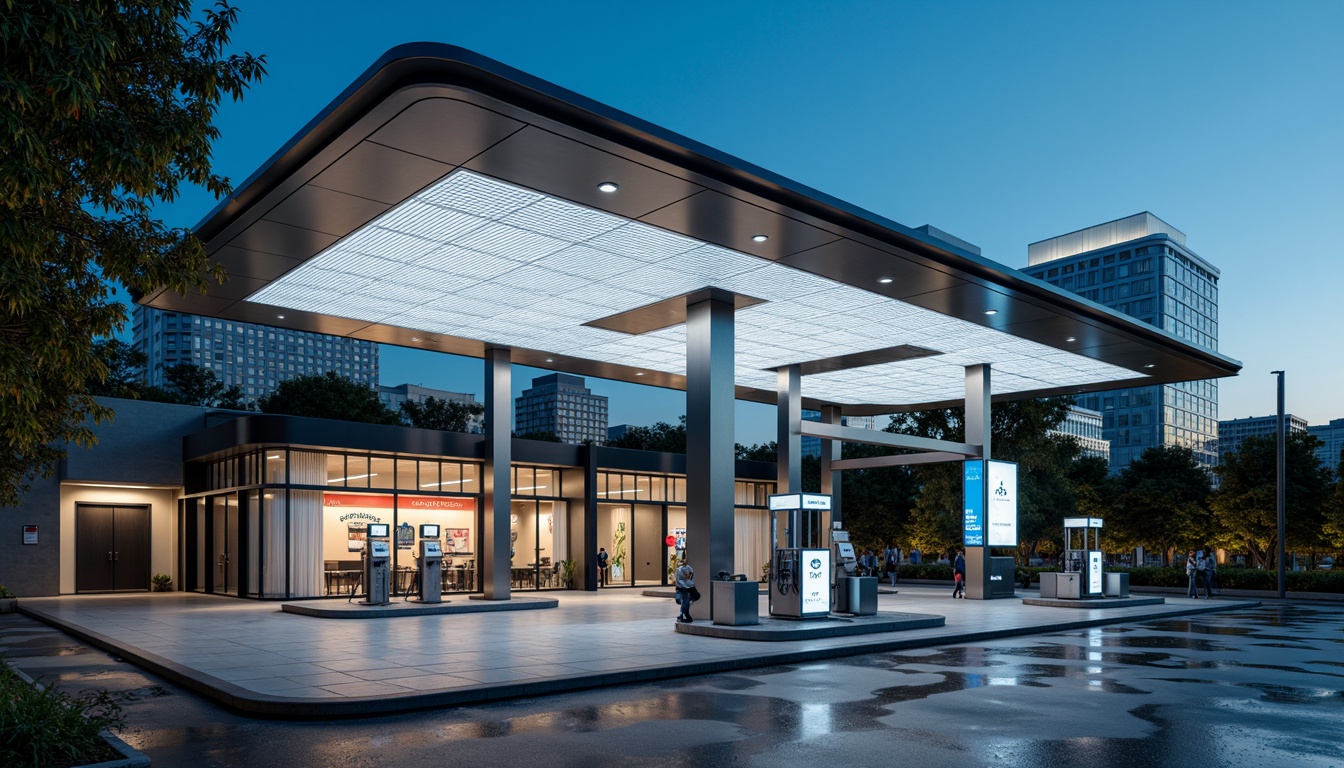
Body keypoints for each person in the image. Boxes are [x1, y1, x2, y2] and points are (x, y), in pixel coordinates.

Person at [674, 557, 696, 623]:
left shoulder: (689, 569)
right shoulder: (679, 569)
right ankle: (683, 616)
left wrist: (689, 585)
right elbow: (678, 579)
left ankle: (683, 616)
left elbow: (691, 578)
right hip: (681, 588)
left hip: (686, 588)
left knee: (685, 602)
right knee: (680, 600)